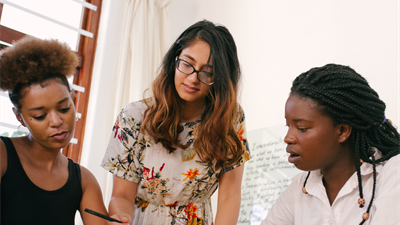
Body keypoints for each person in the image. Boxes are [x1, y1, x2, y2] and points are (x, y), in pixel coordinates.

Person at [101, 20, 251, 225]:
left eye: (207, 72)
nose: (192, 79)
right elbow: (121, 196)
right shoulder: (134, 117)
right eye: (187, 64)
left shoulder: (230, 119)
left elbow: (230, 195)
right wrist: (121, 217)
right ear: (175, 60)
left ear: (222, 79)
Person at [261, 64, 400, 225]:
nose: (288, 138)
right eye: (288, 126)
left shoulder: (391, 173)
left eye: (302, 128)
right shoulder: (301, 185)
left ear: (342, 131)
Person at [0, 36, 108, 225]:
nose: (57, 121)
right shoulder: (2, 154)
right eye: (40, 115)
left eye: (64, 108)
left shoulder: (84, 181)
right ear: (20, 117)